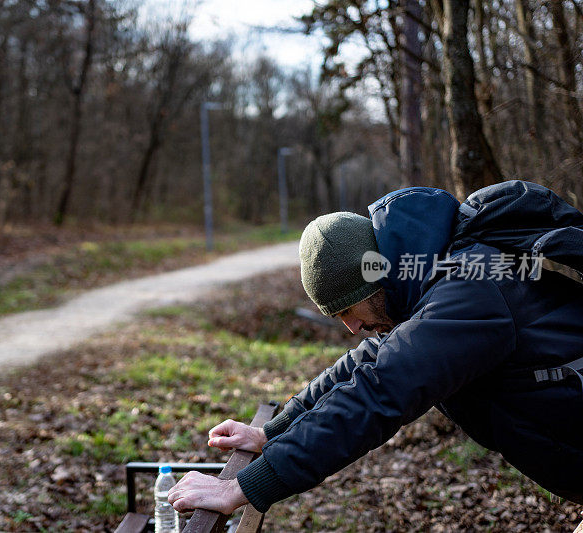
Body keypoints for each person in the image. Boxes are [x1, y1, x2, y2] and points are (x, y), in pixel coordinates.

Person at [167, 181, 583, 516]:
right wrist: (272, 431)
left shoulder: (469, 293)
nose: (352, 328)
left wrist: (242, 487)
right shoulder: (433, 282)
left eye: (350, 309)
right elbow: (367, 363)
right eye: (338, 317)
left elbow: (381, 391)